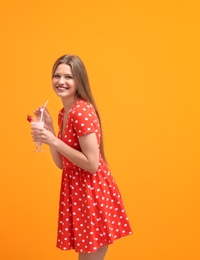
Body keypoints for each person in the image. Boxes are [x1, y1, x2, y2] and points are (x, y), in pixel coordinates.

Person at [31, 54, 132, 260]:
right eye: (56, 76)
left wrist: (54, 141)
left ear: (79, 80)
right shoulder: (64, 113)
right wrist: (51, 131)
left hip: (92, 193)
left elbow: (92, 164)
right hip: (78, 192)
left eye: (68, 77)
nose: (61, 81)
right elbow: (61, 164)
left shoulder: (81, 111)